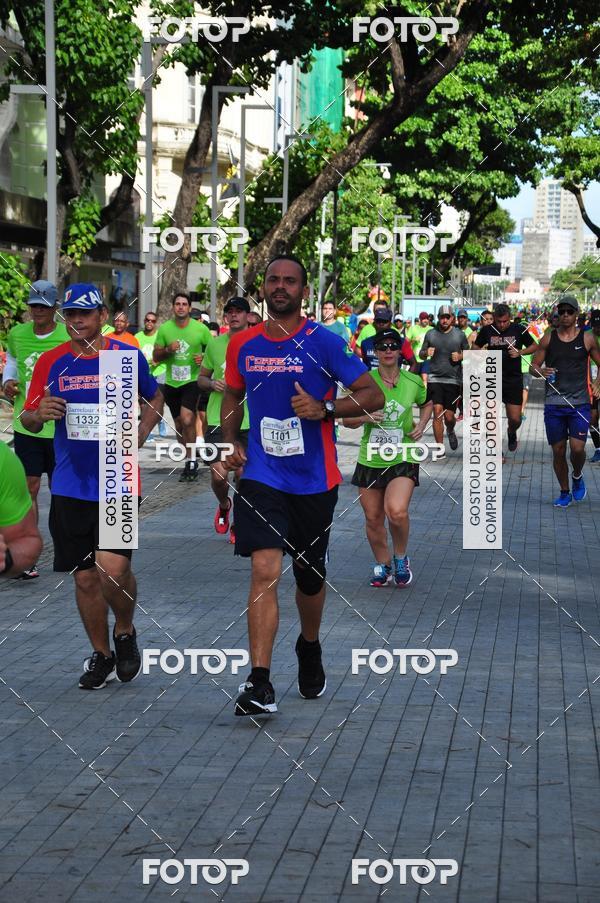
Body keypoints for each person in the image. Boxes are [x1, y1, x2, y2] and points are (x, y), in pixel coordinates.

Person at [220, 255, 384, 717]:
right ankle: (259, 681)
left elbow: (374, 395)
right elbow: (232, 394)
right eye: (273, 279)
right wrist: (230, 442)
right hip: (261, 475)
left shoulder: (326, 343)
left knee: (309, 578)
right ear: (263, 288)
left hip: (314, 480)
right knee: (264, 569)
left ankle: (309, 645)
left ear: (304, 291)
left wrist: (325, 408)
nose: (280, 287)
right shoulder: (243, 344)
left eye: (290, 281)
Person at [22, 283, 163, 689]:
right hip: (70, 484)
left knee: (112, 570)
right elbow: (30, 417)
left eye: (85, 313)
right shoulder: (51, 362)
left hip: (117, 480)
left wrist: (142, 430)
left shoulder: (125, 357)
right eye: (70, 314)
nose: (77, 321)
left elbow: (155, 398)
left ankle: (124, 629)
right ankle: (101, 655)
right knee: (85, 578)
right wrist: (39, 414)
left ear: (103, 316)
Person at [343, 329, 432, 588]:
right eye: (383, 347)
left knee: (396, 511)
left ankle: (401, 557)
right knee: (373, 517)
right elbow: (345, 419)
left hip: (402, 454)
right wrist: (365, 418)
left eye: (394, 345)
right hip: (369, 458)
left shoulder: (413, 381)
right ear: (376, 352)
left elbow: (427, 403)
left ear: (401, 351)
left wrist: (423, 424)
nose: (389, 350)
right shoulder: (364, 382)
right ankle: (383, 565)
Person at [3, 280, 68, 578]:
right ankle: (25, 550)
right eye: (33, 305)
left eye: (43, 305)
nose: (37, 310)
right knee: (30, 487)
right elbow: (13, 363)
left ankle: (65, 547)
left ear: (54, 308)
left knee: (61, 489)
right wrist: (7, 382)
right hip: (27, 423)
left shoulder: (67, 336)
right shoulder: (17, 334)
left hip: (59, 429)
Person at [530, 296, 600, 506]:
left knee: (578, 449)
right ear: (558, 315)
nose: (565, 316)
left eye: (569, 312)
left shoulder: (587, 339)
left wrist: (597, 383)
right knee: (558, 450)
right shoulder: (548, 338)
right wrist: (540, 371)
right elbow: (533, 367)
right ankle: (564, 491)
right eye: (562, 312)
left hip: (579, 403)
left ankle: (577, 476)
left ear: (577, 314)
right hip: (554, 403)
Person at [198, 296, 250, 544]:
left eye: (239, 311)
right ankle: (224, 503)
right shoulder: (215, 345)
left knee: (242, 473)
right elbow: (201, 379)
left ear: (248, 316)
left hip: (251, 420)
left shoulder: (258, 343)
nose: (234, 315)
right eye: (230, 312)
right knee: (219, 475)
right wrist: (211, 383)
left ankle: (240, 523)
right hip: (220, 418)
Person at [153, 291, 211, 482]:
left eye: (184, 304)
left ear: (189, 307)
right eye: (177, 304)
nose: (180, 307)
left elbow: (212, 351)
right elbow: (156, 356)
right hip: (171, 382)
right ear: (173, 307)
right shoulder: (165, 329)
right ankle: (188, 458)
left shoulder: (200, 329)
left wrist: (203, 358)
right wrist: (168, 350)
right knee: (179, 424)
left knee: (188, 419)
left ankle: (193, 460)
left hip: (192, 381)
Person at [473, 303, 538, 453]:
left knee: (515, 419)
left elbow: (535, 346)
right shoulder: (487, 330)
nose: (502, 325)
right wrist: (481, 353)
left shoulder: (518, 329)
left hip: (513, 379)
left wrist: (520, 352)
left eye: (505, 322)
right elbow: (475, 348)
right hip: (492, 378)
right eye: (499, 322)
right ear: (494, 319)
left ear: (510, 319)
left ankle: (511, 432)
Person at [419, 305, 469, 455]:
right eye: (442, 317)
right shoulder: (431, 334)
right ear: (439, 318)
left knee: (449, 416)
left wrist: (460, 356)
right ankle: (439, 448)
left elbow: (469, 353)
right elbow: (421, 354)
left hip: (453, 380)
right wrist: (425, 353)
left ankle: (451, 429)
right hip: (434, 378)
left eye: (448, 317)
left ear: (452, 318)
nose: (445, 320)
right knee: (437, 412)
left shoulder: (459, 335)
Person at [0, 442, 43, 577]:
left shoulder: (3, 457)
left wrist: (5, 558)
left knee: (107, 567)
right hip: (78, 486)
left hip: (107, 478)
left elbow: (26, 539)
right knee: (85, 578)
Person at [135, 311, 167, 439]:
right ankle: (147, 430)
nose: (149, 323)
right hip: (144, 372)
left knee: (158, 401)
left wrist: (158, 359)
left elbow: (167, 354)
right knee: (143, 402)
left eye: (153, 321)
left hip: (160, 371)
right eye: (147, 320)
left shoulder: (160, 336)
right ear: (144, 321)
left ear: (156, 323)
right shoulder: (137, 336)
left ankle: (160, 421)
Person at [360, 307, 416, 372]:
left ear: (390, 324)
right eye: (378, 321)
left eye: (384, 321)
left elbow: (414, 364)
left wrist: (406, 381)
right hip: (372, 381)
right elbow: (365, 366)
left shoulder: (401, 342)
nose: (381, 324)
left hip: (394, 381)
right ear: (374, 323)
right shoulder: (366, 343)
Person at [406, 310, 434, 382]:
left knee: (424, 377)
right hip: (415, 359)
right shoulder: (413, 328)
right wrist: (413, 340)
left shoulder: (431, 330)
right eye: (423, 318)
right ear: (420, 319)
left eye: (427, 318)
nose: (425, 320)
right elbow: (405, 343)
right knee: (413, 379)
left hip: (427, 358)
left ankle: (425, 393)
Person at [588, 309, 600, 463]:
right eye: (595, 326)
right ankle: (598, 449)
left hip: (597, 381)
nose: (598, 329)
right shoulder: (587, 336)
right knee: (592, 417)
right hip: (590, 383)